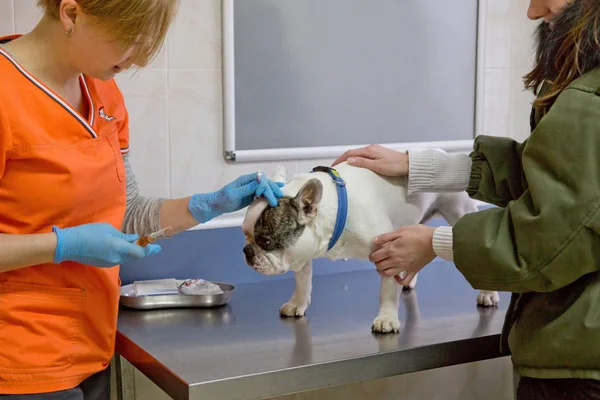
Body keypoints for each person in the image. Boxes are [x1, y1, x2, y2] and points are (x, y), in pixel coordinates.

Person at [0, 0, 283, 398]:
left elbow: (127, 212)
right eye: (126, 40)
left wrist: (206, 205)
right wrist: (64, 245)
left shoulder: (102, 90)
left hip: (92, 347)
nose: (136, 60)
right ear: (71, 13)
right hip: (18, 364)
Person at [333, 0, 600, 398]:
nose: (533, 11)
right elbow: (548, 172)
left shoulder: (589, 99)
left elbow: (548, 239)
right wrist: (417, 166)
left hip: (580, 368)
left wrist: (435, 242)